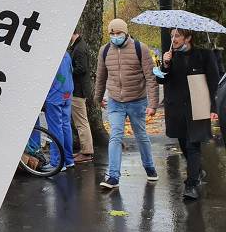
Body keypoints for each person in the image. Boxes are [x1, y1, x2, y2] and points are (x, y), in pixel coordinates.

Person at [94, 18, 159, 189]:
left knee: (141, 136)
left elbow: (151, 78)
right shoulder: (105, 50)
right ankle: (113, 176)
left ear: (125, 32)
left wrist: (153, 104)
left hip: (137, 101)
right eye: (112, 34)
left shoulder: (140, 48)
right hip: (115, 101)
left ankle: (150, 167)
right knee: (115, 136)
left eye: (118, 33)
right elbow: (100, 77)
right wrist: (98, 97)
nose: (115, 36)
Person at [158, 28, 219, 200]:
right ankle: (197, 171)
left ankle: (191, 184)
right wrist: (165, 64)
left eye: (177, 36)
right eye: (172, 36)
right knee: (184, 144)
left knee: (193, 145)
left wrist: (213, 108)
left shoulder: (204, 55)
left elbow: (214, 82)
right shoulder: (170, 56)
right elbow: (161, 79)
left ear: (188, 38)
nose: (173, 39)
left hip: (197, 107)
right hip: (176, 109)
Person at [41, 51, 75, 172]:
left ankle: (57, 162)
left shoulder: (51, 53)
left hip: (55, 95)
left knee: (55, 128)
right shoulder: (66, 53)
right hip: (67, 93)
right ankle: (68, 159)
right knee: (65, 125)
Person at [69, 28, 94, 163]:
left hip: (78, 90)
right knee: (81, 121)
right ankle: (85, 150)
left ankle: (86, 152)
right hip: (79, 89)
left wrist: (68, 70)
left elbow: (82, 68)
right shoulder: (78, 46)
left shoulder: (79, 48)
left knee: (81, 122)